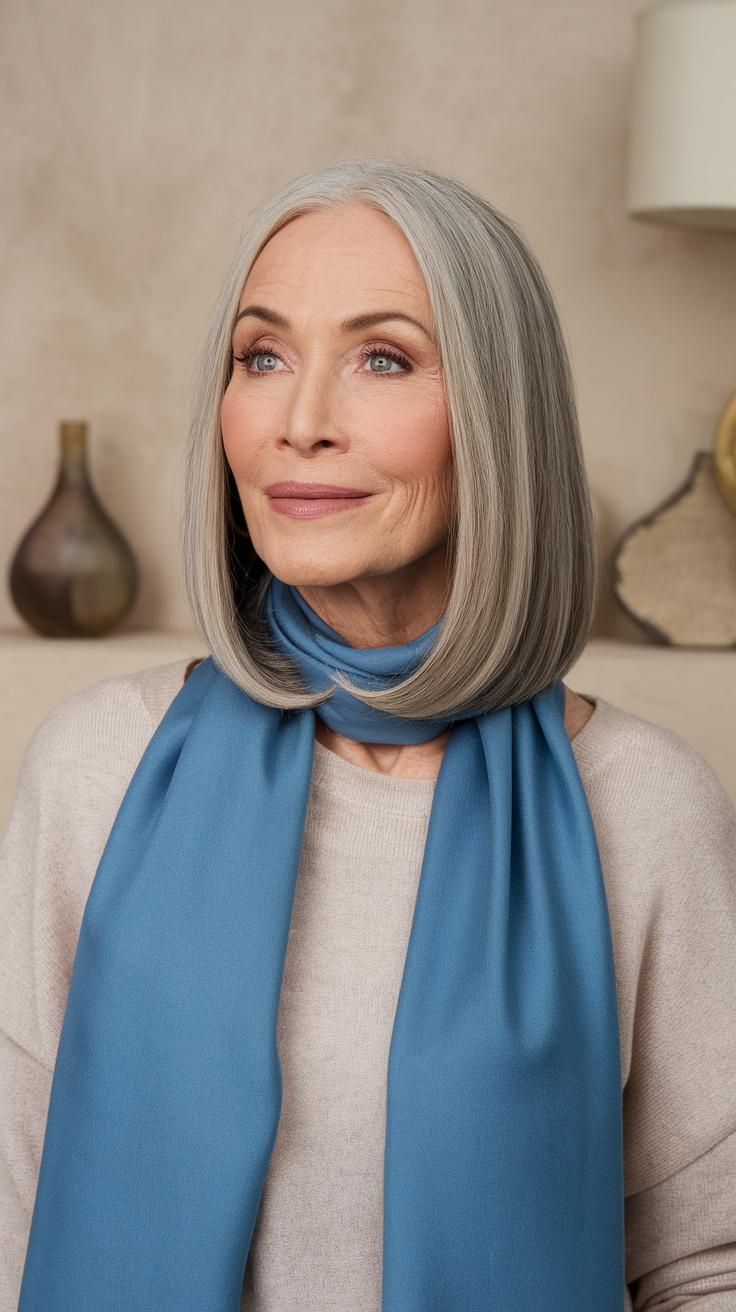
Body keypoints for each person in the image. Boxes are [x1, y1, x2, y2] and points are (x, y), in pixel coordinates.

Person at [1, 159, 735, 1312]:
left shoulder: (642, 806)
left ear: (497, 416)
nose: (299, 424)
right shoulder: (97, 767)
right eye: (262, 356)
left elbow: (703, 1267)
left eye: (382, 358)